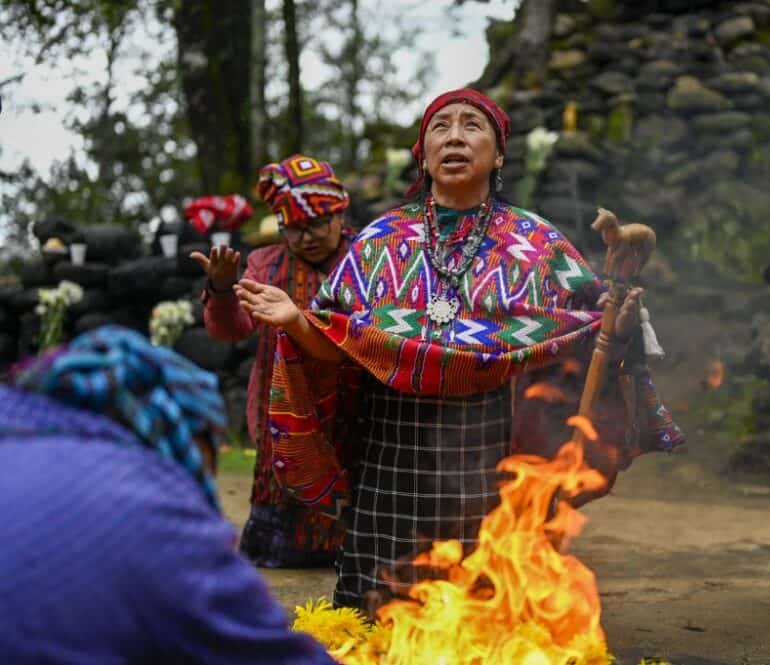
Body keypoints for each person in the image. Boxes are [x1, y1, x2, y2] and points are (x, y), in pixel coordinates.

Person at [234, 88, 685, 610]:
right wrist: (296, 320)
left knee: (483, 612)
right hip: (391, 453)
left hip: (493, 449)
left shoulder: (536, 242)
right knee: (379, 615)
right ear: (422, 156)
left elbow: (591, 328)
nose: (454, 136)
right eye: (440, 127)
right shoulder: (378, 243)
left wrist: (620, 323)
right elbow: (337, 347)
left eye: (472, 126)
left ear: (498, 155)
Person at [0, 326, 338, 664]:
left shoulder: (17, 431)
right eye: (210, 454)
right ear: (179, 429)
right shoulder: (150, 511)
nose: (208, 478)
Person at [192, 154, 356, 568]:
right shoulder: (265, 264)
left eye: (317, 223)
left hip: (353, 410)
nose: (306, 237)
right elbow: (231, 329)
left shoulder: (368, 258)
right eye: (294, 228)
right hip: (282, 411)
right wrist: (222, 288)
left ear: (340, 211)